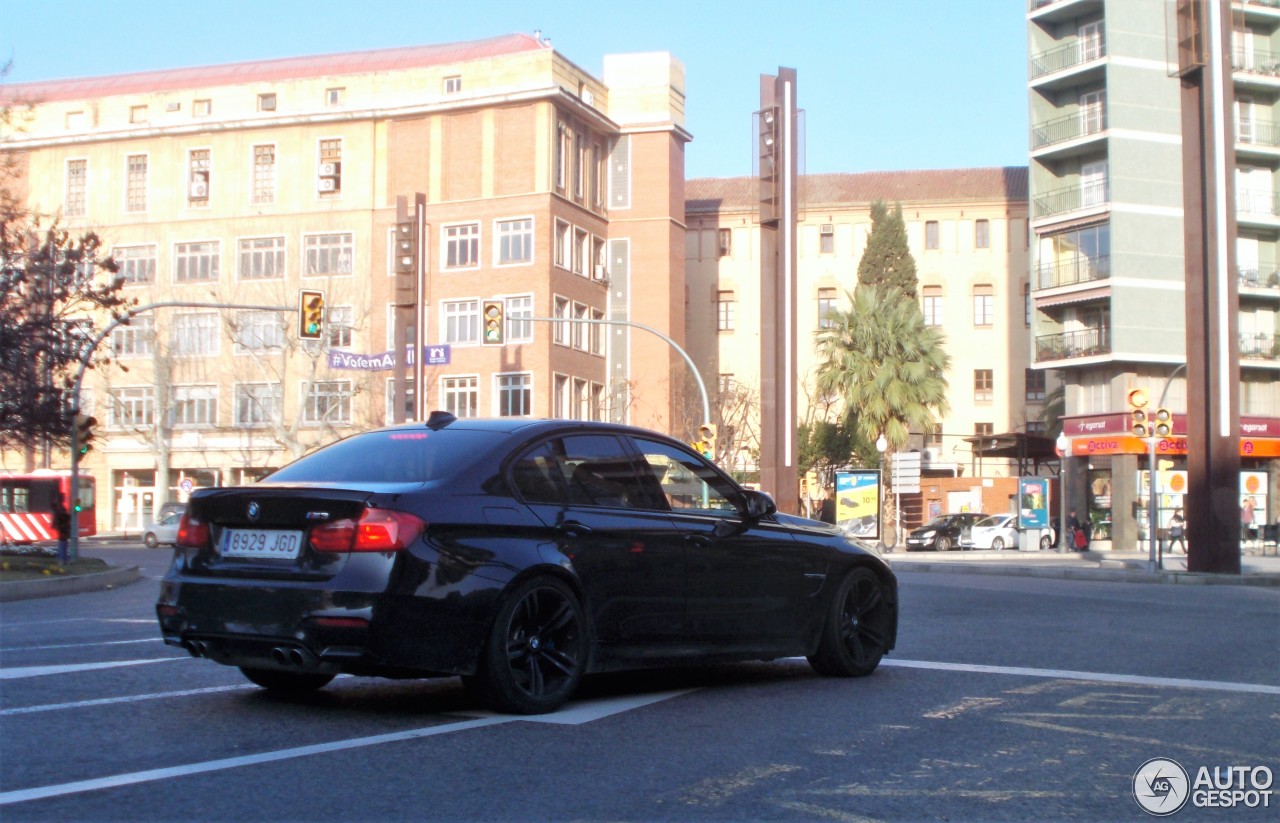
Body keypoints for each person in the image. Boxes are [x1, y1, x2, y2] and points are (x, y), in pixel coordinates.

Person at [51, 490, 72, 566]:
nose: (64, 498)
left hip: (62, 527)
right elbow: (63, 517)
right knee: (63, 544)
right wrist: (68, 515)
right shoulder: (59, 507)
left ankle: (64, 559)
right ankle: (63, 559)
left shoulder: (57, 506)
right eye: (63, 497)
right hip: (62, 527)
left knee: (63, 544)